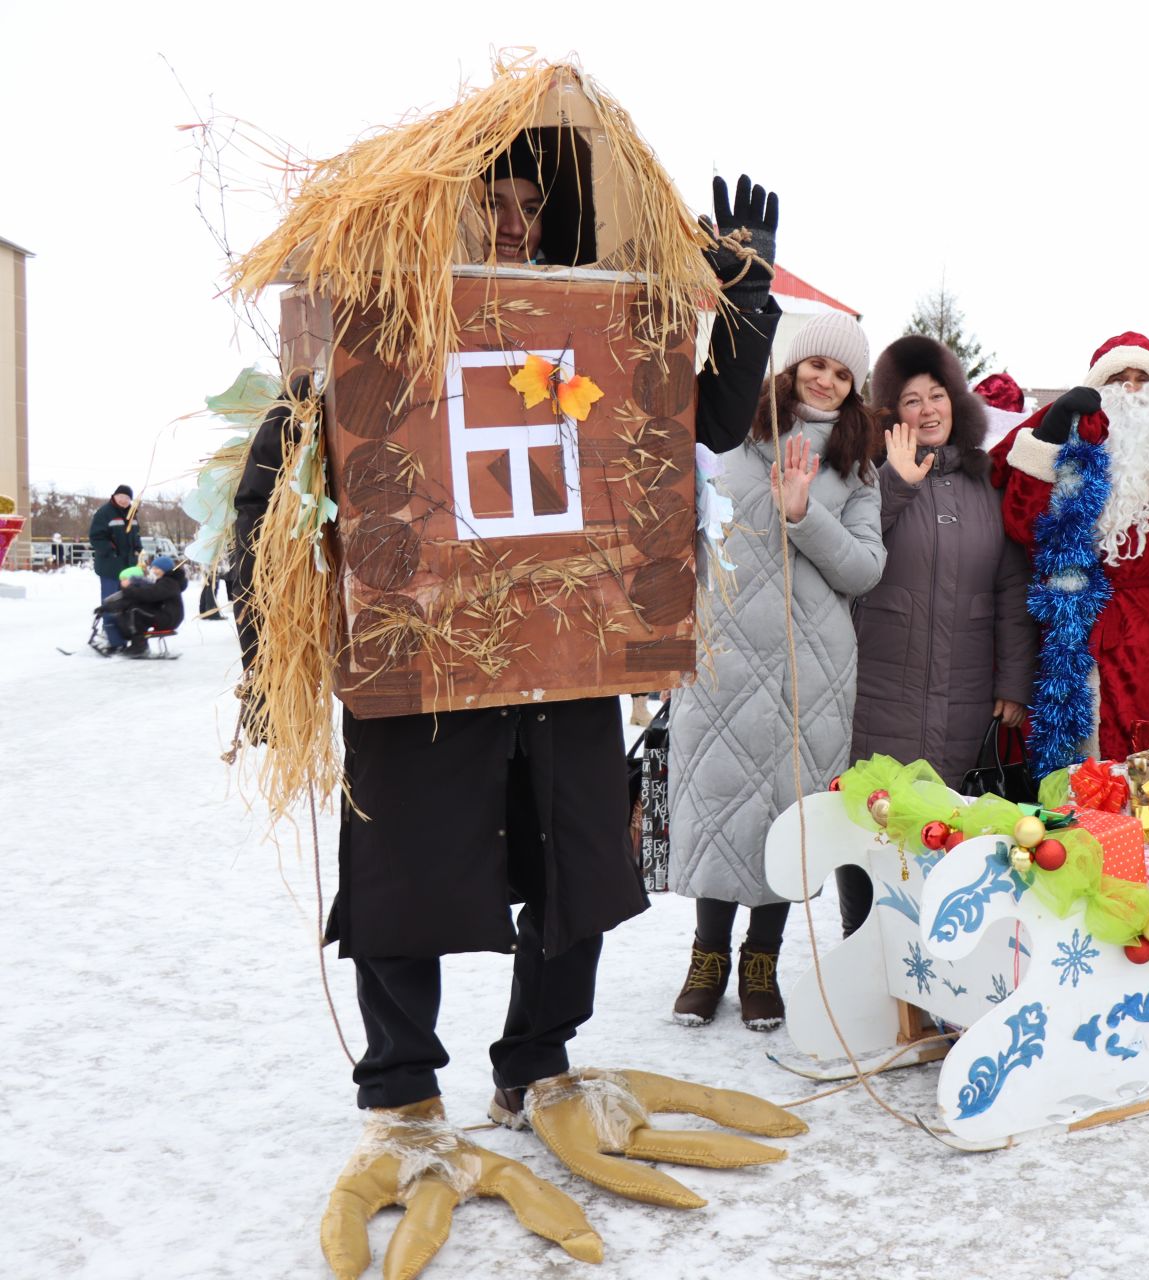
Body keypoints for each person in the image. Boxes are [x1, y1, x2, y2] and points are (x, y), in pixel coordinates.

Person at [234, 160, 797, 1266]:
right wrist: (271, 653)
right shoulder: (381, 329)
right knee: (404, 876)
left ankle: (537, 1063)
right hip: (423, 673)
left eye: (532, 204)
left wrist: (742, 298)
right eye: (493, 200)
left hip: (563, 665)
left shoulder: (595, 338)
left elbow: (715, 423)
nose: (512, 218)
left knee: (574, 863)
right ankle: (402, 1098)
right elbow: (278, 487)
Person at [668, 310, 885, 1029]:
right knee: (721, 799)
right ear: (791, 367)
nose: (825, 379)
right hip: (725, 653)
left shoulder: (859, 462)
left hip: (812, 668)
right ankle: (708, 955)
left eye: (842, 372)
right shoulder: (733, 436)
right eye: (815, 364)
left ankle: (762, 959)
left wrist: (803, 514)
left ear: (854, 388)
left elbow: (864, 570)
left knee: (785, 814)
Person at [839, 335, 1037, 935]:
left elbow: (1010, 587)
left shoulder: (986, 485)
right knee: (875, 823)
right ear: (890, 415)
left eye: (936, 396)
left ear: (956, 402)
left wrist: (1013, 682)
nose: (926, 410)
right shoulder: (868, 476)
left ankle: (938, 953)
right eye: (910, 400)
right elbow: (854, 553)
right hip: (883, 682)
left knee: (948, 826)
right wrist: (896, 483)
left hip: (967, 688)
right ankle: (864, 942)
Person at [998, 332, 1149, 769]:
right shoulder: (1072, 452)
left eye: (1142, 378)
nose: (1130, 389)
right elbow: (1021, 526)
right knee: (1073, 762)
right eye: (1117, 379)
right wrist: (1048, 442)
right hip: (1078, 624)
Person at [100, 555, 189, 656]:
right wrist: (112, 606)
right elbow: (147, 598)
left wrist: (129, 588)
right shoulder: (166, 582)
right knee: (137, 608)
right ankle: (136, 644)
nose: (154, 571)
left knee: (135, 611)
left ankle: (139, 646)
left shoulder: (169, 583)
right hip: (166, 616)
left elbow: (150, 595)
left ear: (165, 569)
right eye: (153, 568)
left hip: (168, 618)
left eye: (157, 568)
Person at [88, 484, 140, 653]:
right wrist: (110, 550)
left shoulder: (132, 513)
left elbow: (135, 534)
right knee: (111, 602)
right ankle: (112, 639)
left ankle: (124, 638)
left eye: (127, 498)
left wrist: (138, 548)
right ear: (115, 496)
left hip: (128, 567)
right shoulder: (105, 512)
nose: (124, 500)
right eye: (121, 497)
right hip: (110, 566)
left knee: (126, 604)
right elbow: (95, 537)